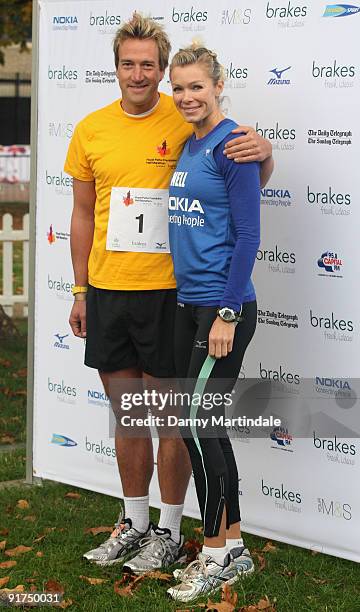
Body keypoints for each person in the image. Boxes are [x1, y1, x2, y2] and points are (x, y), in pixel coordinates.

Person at [64, 14, 273, 574]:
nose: (140, 75)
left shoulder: (186, 122)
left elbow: (245, 177)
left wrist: (266, 146)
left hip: (172, 297)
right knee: (130, 416)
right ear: (116, 68)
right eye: (128, 64)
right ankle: (134, 522)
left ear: (163, 71)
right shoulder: (92, 129)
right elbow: (82, 213)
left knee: (178, 422)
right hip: (109, 290)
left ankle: (174, 531)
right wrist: (81, 288)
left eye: (149, 66)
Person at [164, 45, 260, 602]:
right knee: (203, 428)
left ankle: (215, 554)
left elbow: (248, 235)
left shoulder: (233, 145)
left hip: (222, 309)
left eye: (196, 86)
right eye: (179, 88)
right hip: (188, 305)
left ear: (218, 84)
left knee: (200, 430)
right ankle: (235, 548)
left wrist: (225, 312)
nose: (186, 97)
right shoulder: (189, 144)